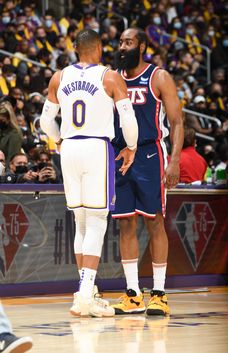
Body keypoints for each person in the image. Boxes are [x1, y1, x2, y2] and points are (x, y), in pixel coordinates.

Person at [40, 29, 138, 317]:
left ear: (75, 49)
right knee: (96, 222)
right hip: (97, 148)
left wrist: (58, 139)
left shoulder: (59, 77)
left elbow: (45, 121)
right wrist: (130, 146)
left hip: (69, 147)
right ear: (98, 47)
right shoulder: (109, 76)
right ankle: (85, 295)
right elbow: (128, 119)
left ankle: (84, 293)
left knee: (81, 221)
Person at [112, 28, 184, 316]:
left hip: (150, 153)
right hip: (120, 154)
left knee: (154, 221)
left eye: (128, 42)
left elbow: (177, 122)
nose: (122, 46)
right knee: (125, 224)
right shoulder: (113, 77)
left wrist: (175, 160)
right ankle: (132, 294)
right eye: (120, 42)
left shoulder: (159, 77)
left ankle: (159, 293)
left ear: (141, 46)